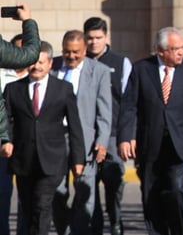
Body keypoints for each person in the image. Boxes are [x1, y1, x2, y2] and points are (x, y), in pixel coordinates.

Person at [117, 27, 183, 235]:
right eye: (175, 49)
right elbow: (129, 106)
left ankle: (179, 231)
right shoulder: (141, 69)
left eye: (182, 48)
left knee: (176, 190)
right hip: (150, 145)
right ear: (160, 51)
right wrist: (125, 137)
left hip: (180, 144)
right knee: (151, 194)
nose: (180, 53)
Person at [2, 41, 85, 235]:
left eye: (41, 62)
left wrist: (78, 160)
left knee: (42, 204)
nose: (36, 66)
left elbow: (75, 126)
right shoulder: (14, 89)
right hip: (24, 159)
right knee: (29, 207)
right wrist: (6, 141)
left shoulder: (63, 89)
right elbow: (6, 120)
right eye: (32, 62)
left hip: (52, 159)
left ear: (50, 64)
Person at [51, 30, 112, 235]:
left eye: (76, 52)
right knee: (56, 192)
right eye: (67, 52)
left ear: (85, 50)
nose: (71, 57)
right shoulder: (53, 66)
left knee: (85, 193)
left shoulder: (99, 71)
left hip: (85, 141)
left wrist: (102, 141)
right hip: (56, 140)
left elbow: (104, 111)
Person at [84, 16, 132, 235]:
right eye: (90, 38)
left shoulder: (121, 63)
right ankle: (94, 227)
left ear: (107, 37)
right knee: (88, 186)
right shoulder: (78, 62)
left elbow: (128, 104)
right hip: (85, 134)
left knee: (114, 183)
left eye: (98, 37)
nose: (94, 42)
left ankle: (115, 222)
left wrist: (126, 136)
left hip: (112, 135)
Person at [0, 34, 30, 235]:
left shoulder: (39, 76)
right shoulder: (2, 76)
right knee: (3, 193)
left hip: (29, 144)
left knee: (28, 196)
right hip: (4, 144)